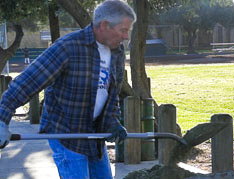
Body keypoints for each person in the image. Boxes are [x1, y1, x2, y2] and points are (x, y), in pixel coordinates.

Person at [0, 1, 136, 178]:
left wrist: (113, 122)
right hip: (66, 132)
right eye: (124, 30)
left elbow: (110, 93)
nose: (126, 37)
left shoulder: (117, 51)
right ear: (104, 25)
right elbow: (27, 82)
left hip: (94, 135)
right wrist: (2, 120)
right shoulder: (68, 47)